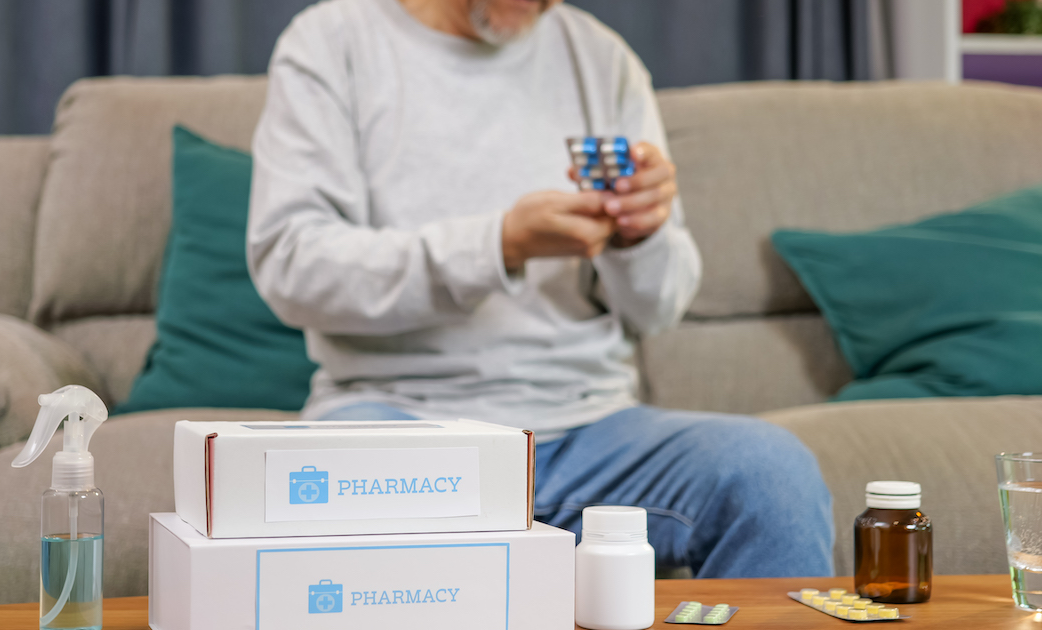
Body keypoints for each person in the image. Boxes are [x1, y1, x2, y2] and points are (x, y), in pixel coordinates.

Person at [248, 0, 833, 578]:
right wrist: (499, 245)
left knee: (772, 473)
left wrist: (642, 237)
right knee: (338, 492)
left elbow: (660, 308)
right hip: (400, 417)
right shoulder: (331, 43)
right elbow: (291, 266)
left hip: (592, 432)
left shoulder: (602, 59)